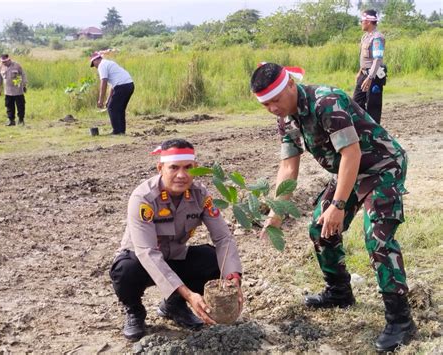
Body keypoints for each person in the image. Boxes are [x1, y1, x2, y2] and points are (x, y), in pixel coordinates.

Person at [250, 63, 415, 352]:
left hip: (381, 166)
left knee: (377, 237)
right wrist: (276, 212)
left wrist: (338, 204)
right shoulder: (287, 118)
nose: (272, 108)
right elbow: (288, 167)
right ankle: (339, 293)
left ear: (290, 85)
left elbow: (352, 153)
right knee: (319, 226)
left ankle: (400, 319)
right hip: (348, 172)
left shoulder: (327, 102)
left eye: (275, 100)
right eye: (266, 104)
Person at [110, 138, 243, 341]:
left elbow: (223, 237)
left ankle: (173, 306)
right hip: (142, 262)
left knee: (213, 260)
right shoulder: (143, 198)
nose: (181, 175)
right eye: (174, 168)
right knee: (125, 270)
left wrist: (234, 280)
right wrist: (189, 295)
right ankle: (135, 312)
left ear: (195, 168)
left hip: (176, 257)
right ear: (160, 167)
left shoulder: (200, 195)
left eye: (188, 167)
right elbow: (147, 252)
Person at [353, 9, 386, 124]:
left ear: (368, 22)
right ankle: (362, 129)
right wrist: (360, 72)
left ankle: (374, 134)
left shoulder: (377, 38)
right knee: (356, 103)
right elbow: (364, 58)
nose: (361, 23)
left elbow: (377, 59)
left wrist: (370, 77)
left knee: (373, 107)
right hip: (363, 74)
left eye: (362, 21)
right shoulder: (365, 37)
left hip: (374, 76)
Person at [90, 51, 134, 135]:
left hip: (122, 86)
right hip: (129, 85)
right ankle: (121, 131)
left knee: (111, 108)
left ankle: (117, 131)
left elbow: (104, 82)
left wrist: (100, 100)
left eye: (93, 64)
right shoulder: (108, 63)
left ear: (96, 60)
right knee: (119, 109)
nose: (94, 67)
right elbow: (113, 86)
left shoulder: (102, 65)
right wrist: (108, 99)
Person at [0, 54, 27, 126]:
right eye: (2, 62)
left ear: (9, 59)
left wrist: (24, 85)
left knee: (20, 106)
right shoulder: (0, 66)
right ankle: (11, 120)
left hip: (18, 90)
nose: (4, 63)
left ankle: (21, 120)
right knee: (9, 106)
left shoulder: (17, 65)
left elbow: (23, 74)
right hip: (8, 91)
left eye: (5, 61)